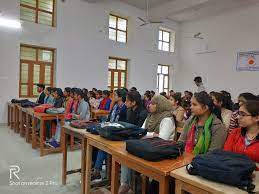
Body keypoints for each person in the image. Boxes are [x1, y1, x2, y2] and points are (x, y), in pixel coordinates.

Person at [92, 89, 128, 182]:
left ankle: (98, 171)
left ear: (120, 97)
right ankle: (97, 169)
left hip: (119, 133)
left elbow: (123, 124)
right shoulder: (115, 106)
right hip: (111, 131)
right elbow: (109, 119)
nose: (113, 97)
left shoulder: (125, 108)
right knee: (98, 142)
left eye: (115, 95)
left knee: (103, 146)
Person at [119, 91, 148, 193]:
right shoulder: (129, 110)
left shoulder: (143, 113)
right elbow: (128, 126)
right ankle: (127, 184)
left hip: (139, 139)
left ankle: (127, 184)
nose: (125, 102)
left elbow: (139, 131)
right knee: (123, 151)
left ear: (134, 102)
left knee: (126, 152)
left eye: (127, 101)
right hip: (131, 138)